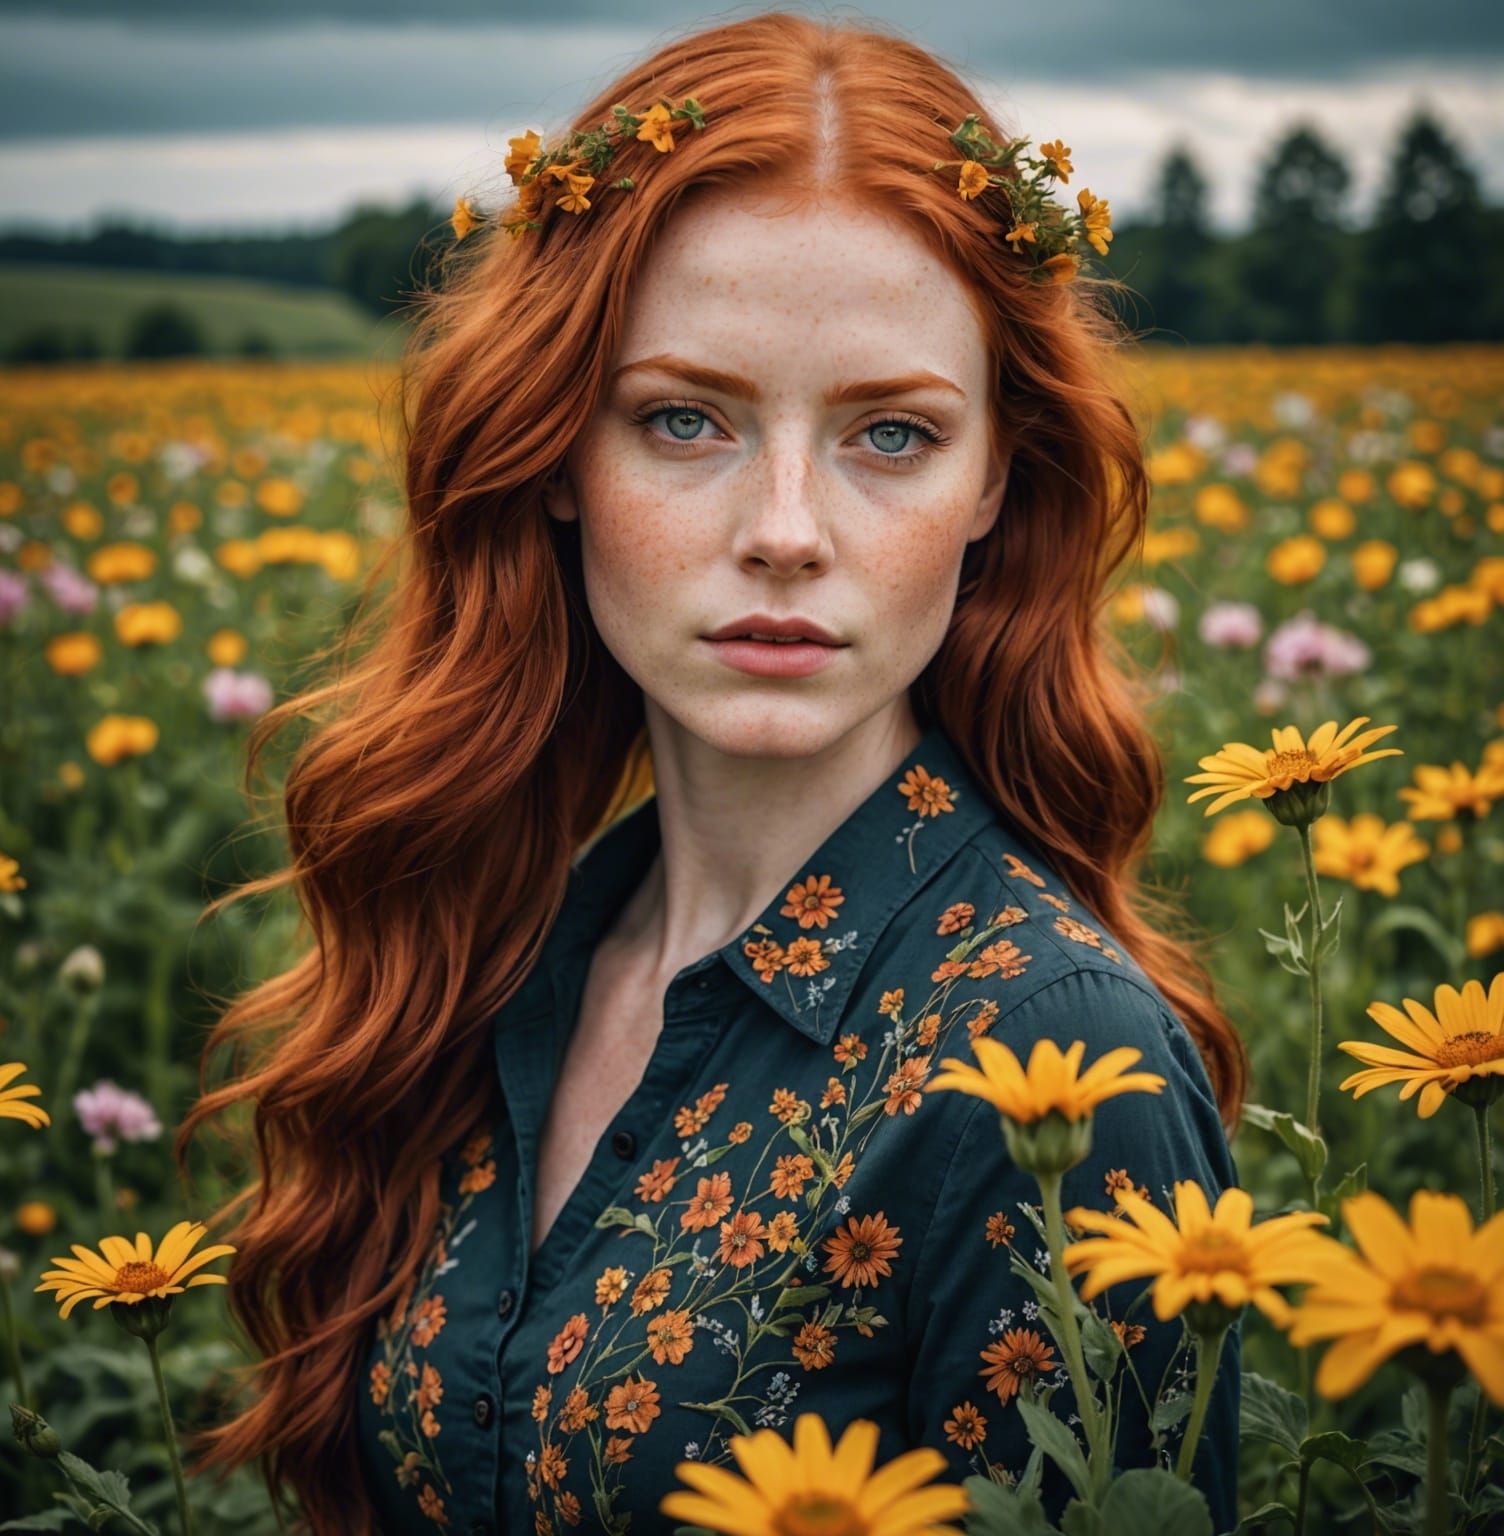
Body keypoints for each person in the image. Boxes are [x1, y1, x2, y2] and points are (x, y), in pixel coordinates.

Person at [179, 13, 1247, 1534]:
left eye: (892, 433)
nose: (788, 529)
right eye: (685, 420)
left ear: (996, 480)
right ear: (556, 452)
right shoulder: (505, 953)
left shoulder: (1061, 1073)